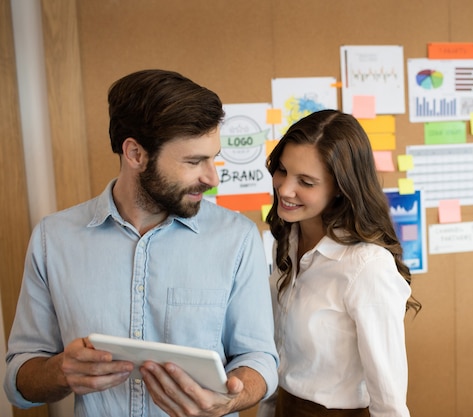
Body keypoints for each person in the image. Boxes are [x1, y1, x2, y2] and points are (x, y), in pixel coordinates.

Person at [4, 69, 278, 417]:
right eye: (194, 162)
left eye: (213, 158)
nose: (212, 178)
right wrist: (60, 371)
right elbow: (19, 379)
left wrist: (233, 399)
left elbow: (259, 358)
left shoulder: (237, 237)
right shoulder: (52, 239)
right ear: (135, 153)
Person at [258, 109, 421, 417]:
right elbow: (281, 355)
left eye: (305, 181)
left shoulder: (366, 266)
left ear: (340, 189)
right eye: (282, 170)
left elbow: (389, 401)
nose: (284, 189)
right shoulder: (287, 240)